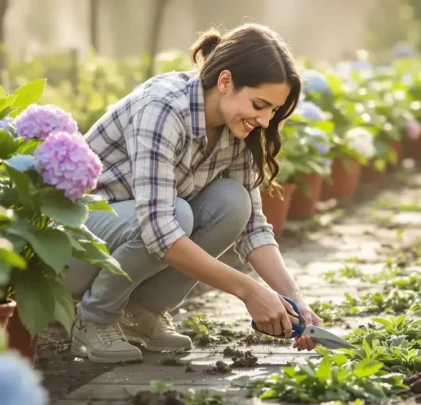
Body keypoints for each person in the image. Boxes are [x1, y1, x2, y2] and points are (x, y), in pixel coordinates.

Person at [64, 23, 323, 364]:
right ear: (226, 82)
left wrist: (294, 298)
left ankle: (140, 314)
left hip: (130, 234)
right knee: (177, 216)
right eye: (260, 104)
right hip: (74, 244)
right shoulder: (164, 108)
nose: (264, 120)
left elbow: (252, 229)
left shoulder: (237, 130)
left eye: (273, 111)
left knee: (234, 203)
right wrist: (249, 291)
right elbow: (159, 230)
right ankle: (94, 318)